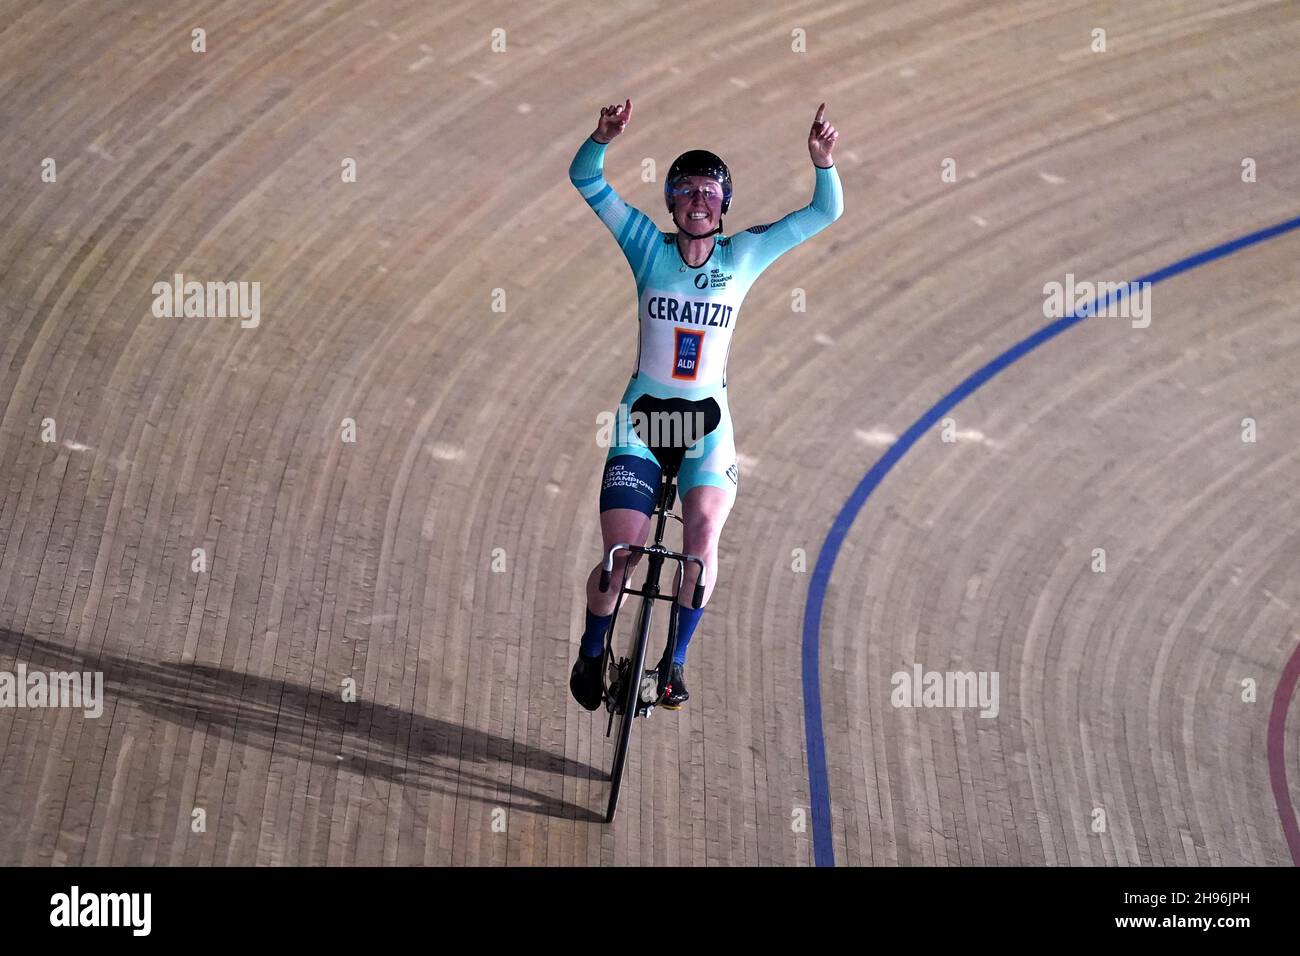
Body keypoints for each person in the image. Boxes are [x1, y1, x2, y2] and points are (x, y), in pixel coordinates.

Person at [567, 98, 843, 711]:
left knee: (702, 541)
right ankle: (591, 650)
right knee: (621, 558)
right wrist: (602, 136)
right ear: (671, 203)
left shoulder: (742, 256)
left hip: (706, 429)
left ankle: (674, 662)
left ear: (724, 207)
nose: (698, 201)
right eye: (687, 191)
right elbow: (585, 178)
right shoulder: (646, 245)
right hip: (642, 423)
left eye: (710, 193)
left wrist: (822, 161)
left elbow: (826, 211)